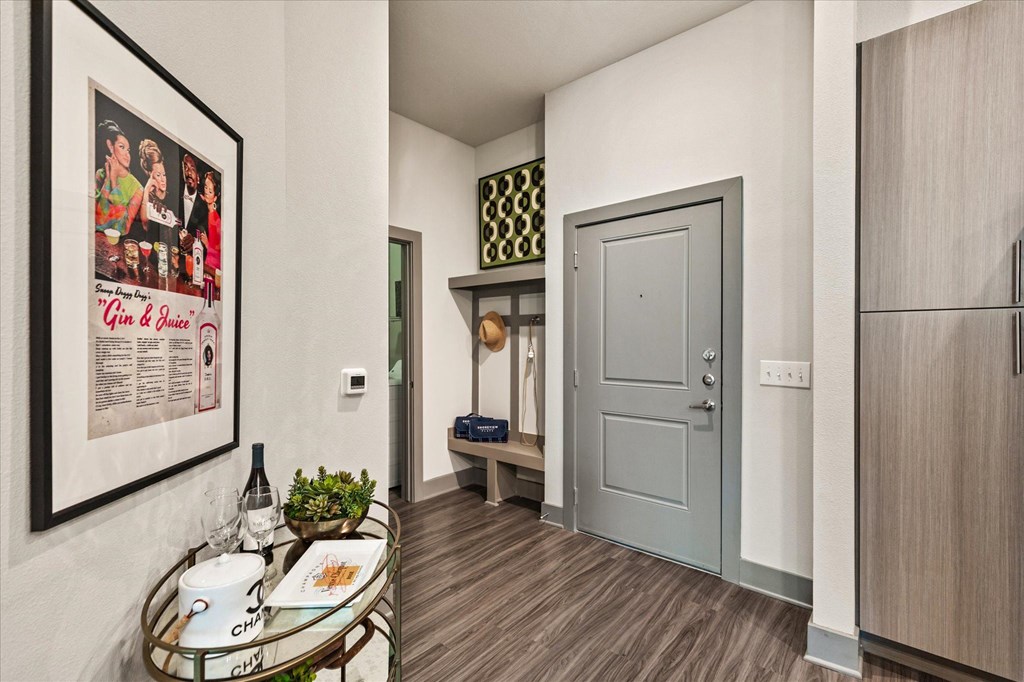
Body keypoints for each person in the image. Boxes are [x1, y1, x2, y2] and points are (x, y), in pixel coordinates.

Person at [94, 120, 142, 235]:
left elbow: (124, 228)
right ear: (110, 146)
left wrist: (114, 180)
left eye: (128, 150)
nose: (127, 154)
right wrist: (108, 180)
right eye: (122, 147)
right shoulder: (100, 174)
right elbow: (97, 220)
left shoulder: (138, 188)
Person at [138, 139, 172, 231]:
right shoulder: (146, 197)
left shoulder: (172, 198)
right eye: (158, 175)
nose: (162, 179)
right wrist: (146, 190)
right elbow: (145, 225)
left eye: (164, 174)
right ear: (150, 176)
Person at [200, 171, 221, 271]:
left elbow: (221, 252)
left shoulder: (217, 220)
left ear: (215, 197)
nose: (207, 192)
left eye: (210, 191)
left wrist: (207, 244)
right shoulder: (204, 210)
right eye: (205, 188)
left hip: (212, 268)